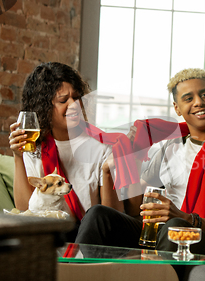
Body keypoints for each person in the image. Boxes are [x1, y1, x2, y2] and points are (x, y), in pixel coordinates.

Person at [74, 68, 205, 256]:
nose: (199, 102)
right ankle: (82, 273)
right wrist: (134, 157)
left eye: (204, 94)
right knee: (97, 215)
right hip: (160, 231)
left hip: (199, 235)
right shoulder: (171, 147)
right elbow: (136, 208)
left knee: (175, 227)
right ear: (177, 108)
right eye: (188, 98)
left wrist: (183, 217)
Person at [8, 62, 129, 240]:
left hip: (89, 238)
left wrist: (107, 172)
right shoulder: (35, 147)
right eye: (63, 100)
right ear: (44, 108)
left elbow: (111, 217)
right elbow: (27, 210)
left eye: (77, 97)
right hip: (49, 237)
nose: (74, 105)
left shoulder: (101, 147)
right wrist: (18, 156)